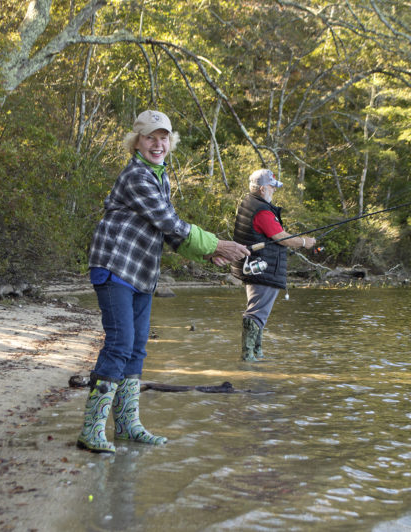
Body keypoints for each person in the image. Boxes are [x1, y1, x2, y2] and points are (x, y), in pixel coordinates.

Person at [77, 110, 249, 453]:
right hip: (114, 267)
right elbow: (169, 220)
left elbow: (166, 231)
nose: (158, 144)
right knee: (120, 344)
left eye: (163, 138)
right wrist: (216, 243)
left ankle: (127, 426)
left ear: (170, 142)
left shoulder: (160, 177)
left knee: (137, 348)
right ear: (137, 142)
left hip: (140, 273)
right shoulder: (137, 176)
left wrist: (206, 254)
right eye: (150, 138)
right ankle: (91, 430)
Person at [230, 169, 315, 362]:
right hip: (262, 268)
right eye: (271, 187)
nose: (273, 191)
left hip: (254, 266)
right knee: (257, 313)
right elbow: (281, 237)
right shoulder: (262, 211)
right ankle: (248, 359)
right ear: (262, 189)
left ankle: (256, 355)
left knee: (259, 312)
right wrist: (304, 242)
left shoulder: (250, 203)